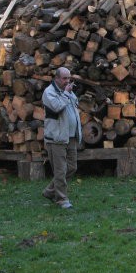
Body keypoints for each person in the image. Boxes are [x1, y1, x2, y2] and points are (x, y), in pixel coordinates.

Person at [42, 67, 83, 207]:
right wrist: (66, 94)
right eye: (65, 78)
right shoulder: (49, 93)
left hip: (70, 136)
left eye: (69, 78)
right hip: (56, 137)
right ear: (57, 78)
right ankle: (62, 199)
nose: (67, 81)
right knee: (60, 171)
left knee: (72, 167)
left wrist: (68, 94)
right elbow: (57, 107)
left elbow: (74, 105)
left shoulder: (67, 91)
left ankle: (49, 191)